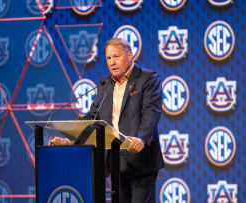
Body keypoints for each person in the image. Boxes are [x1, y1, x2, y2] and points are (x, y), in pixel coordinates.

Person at [49, 38, 164, 203]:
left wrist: (141, 139)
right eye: (109, 58)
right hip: (115, 161)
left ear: (130, 55)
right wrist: (70, 140)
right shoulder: (105, 85)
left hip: (140, 158)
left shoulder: (147, 78)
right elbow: (92, 119)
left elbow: (151, 113)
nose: (112, 62)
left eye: (116, 56)